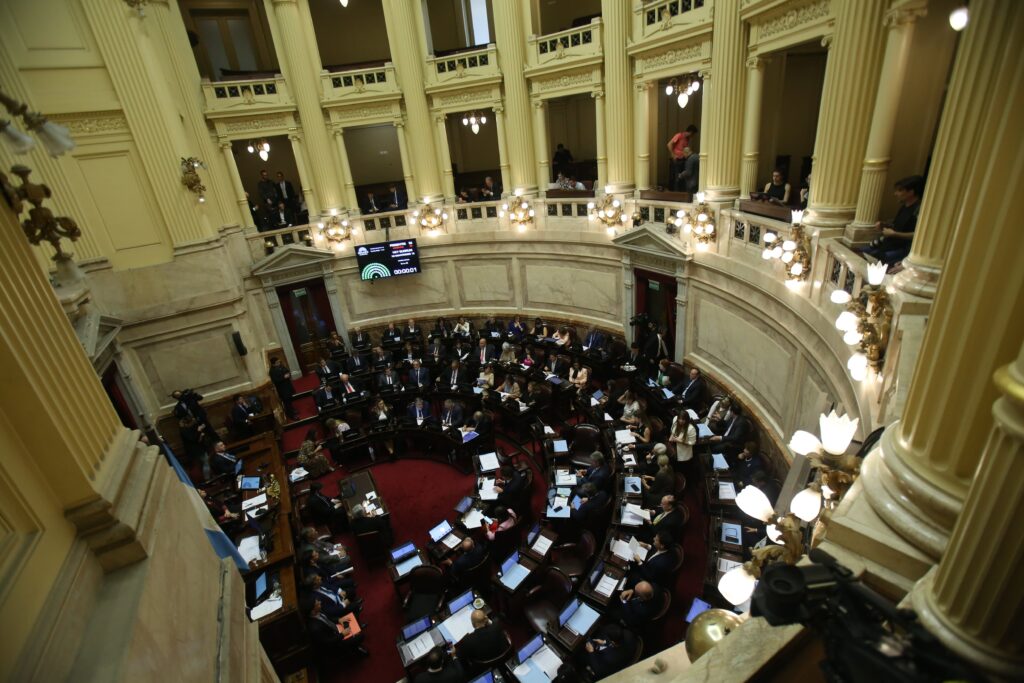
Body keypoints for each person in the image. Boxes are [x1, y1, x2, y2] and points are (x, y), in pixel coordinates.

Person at [861, 175, 925, 266]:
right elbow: (898, 225)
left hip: (904, 248)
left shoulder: (919, 209)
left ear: (911, 192)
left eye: (900, 190)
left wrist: (895, 234)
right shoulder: (904, 206)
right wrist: (883, 225)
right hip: (892, 243)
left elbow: (918, 235)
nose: (896, 193)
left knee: (876, 258)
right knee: (863, 251)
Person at [299, 594, 368, 655]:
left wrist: (338, 620)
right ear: (312, 611)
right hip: (336, 640)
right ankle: (355, 649)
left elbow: (329, 618)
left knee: (352, 618)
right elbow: (328, 642)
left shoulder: (317, 611)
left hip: (336, 629)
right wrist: (343, 634)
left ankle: (355, 635)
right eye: (317, 604)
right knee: (360, 636)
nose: (320, 602)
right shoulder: (315, 628)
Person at [667, 125, 698, 191]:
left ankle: (681, 192)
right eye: (693, 134)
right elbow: (669, 144)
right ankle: (675, 193)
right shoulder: (679, 135)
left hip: (683, 160)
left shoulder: (687, 139)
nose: (693, 136)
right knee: (676, 178)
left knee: (682, 177)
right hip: (677, 160)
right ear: (691, 132)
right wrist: (673, 155)